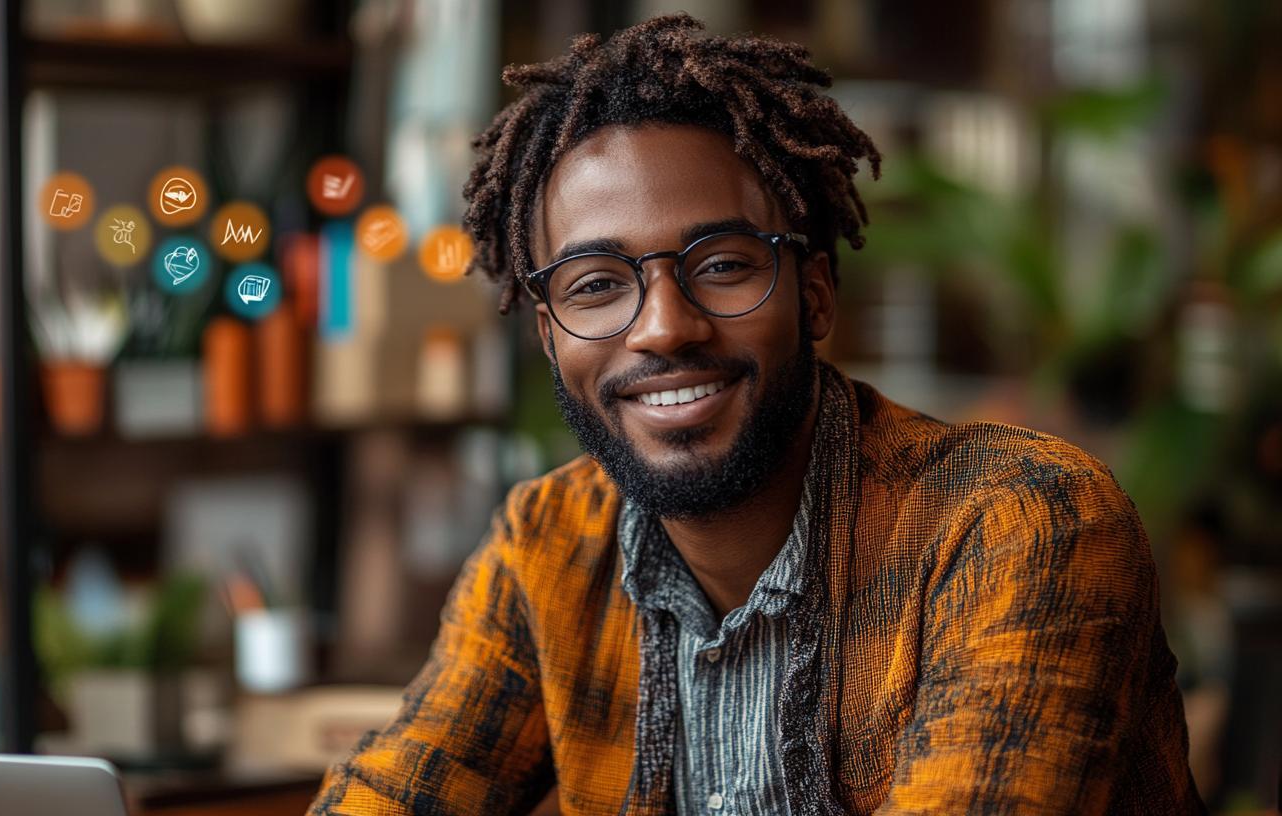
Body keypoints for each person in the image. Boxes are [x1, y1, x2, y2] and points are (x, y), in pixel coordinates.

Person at [310, 14, 1203, 816]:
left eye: (724, 265)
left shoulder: (1018, 522)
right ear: (549, 337)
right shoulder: (546, 547)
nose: (663, 327)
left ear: (814, 295)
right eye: (596, 286)